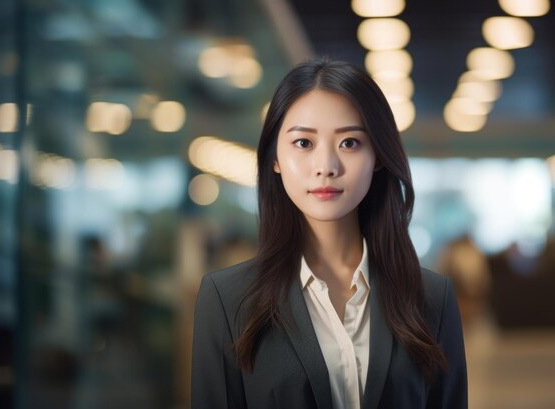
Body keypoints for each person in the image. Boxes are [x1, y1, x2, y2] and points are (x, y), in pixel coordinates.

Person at [191, 58, 467, 409]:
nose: (326, 167)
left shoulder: (432, 299)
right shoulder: (227, 300)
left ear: (378, 156)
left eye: (349, 143)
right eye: (303, 143)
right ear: (274, 157)